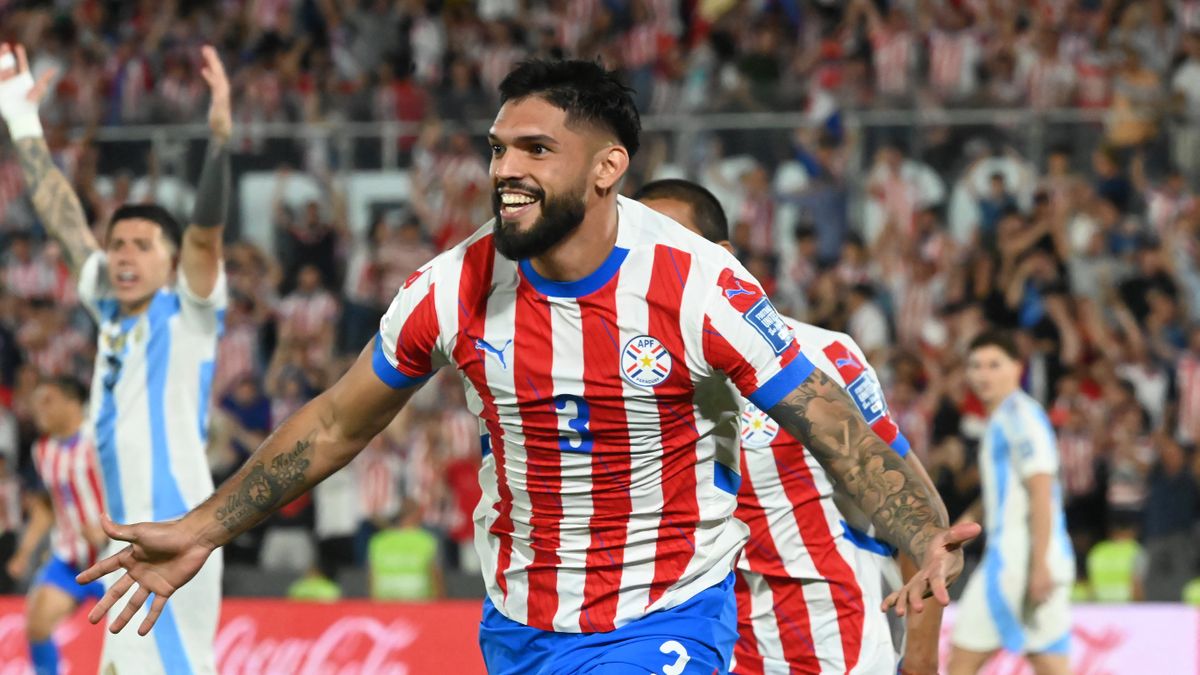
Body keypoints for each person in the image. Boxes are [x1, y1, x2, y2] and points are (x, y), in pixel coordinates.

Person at [78, 59, 976, 675]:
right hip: (520, 616)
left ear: (606, 169)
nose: (505, 170)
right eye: (500, 149)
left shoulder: (698, 287)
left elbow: (838, 432)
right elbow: (338, 422)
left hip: (664, 608)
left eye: (535, 151)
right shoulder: (451, 287)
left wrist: (919, 530)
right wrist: (205, 527)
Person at [635, 179, 946, 675]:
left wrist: (924, 663)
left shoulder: (821, 355)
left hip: (829, 649)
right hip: (704, 646)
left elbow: (916, 507)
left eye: (666, 242)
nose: (647, 263)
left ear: (722, 258)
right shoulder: (620, 375)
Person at [0, 42, 233, 674]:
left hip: (175, 534)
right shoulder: (109, 310)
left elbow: (207, 233)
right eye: (118, 244)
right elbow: (64, 221)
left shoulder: (188, 310)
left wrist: (217, 147)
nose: (124, 255)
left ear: (170, 260)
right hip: (127, 542)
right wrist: (20, 121)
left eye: (141, 245)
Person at [950, 332, 1074, 675]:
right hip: (1031, 559)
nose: (983, 374)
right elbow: (995, 499)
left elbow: (1040, 488)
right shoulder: (1003, 417)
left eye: (994, 365)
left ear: (1017, 369)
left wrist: (1039, 565)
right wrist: (953, 537)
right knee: (1050, 662)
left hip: (1017, 563)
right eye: (975, 366)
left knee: (961, 661)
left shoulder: (1020, 416)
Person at [4, 377, 104, 675]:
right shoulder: (42, 450)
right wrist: (24, 551)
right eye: (36, 402)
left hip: (117, 558)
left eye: (47, 401)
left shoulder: (100, 439)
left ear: (72, 403)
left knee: (137, 636)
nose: (38, 409)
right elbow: (48, 505)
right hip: (71, 559)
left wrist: (112, 524)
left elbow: (138, 488)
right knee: (37, 624)